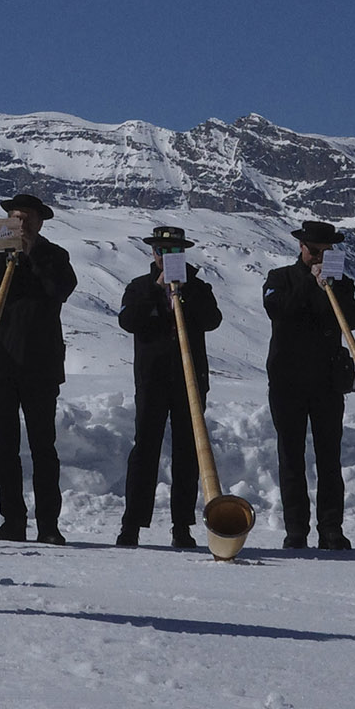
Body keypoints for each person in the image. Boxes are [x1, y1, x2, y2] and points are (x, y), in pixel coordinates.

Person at [0, 192, 81, 544]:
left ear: (40, 222)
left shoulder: (55, 256)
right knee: (5, 448)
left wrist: (31, 255)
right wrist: (2, 258)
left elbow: (60, 289)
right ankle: (12, 520)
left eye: (27, 218)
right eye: (16, 218)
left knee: (44, 447)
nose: (21, 224)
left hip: (40, 367)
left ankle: (48, 525)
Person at [116, 224, 221, 550]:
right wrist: (157, 292)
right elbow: (128, 321)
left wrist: (184, 295)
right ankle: (132, 524)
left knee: (188, 452)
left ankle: (182, 525)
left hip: (190, 381)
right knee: (144, 450)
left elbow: (213, 320)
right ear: (153, 253)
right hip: (152, 379)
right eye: (162, 251)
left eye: (174, 251)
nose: (167, 256)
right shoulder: (138, 287)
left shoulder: (199, 287)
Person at [263, 219, 355, 550]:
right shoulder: (280, 278)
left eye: (327, 251)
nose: (320, 256)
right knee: (291, 456)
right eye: (315, 250)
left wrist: (331, 287)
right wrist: (310, 283)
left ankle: (331, 527)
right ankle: (296, 529)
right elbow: (278, 310)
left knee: (329, 457)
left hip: (326, 382)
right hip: (287, 381)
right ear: (301, 248)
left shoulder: (340, 283)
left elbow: (353, 320)